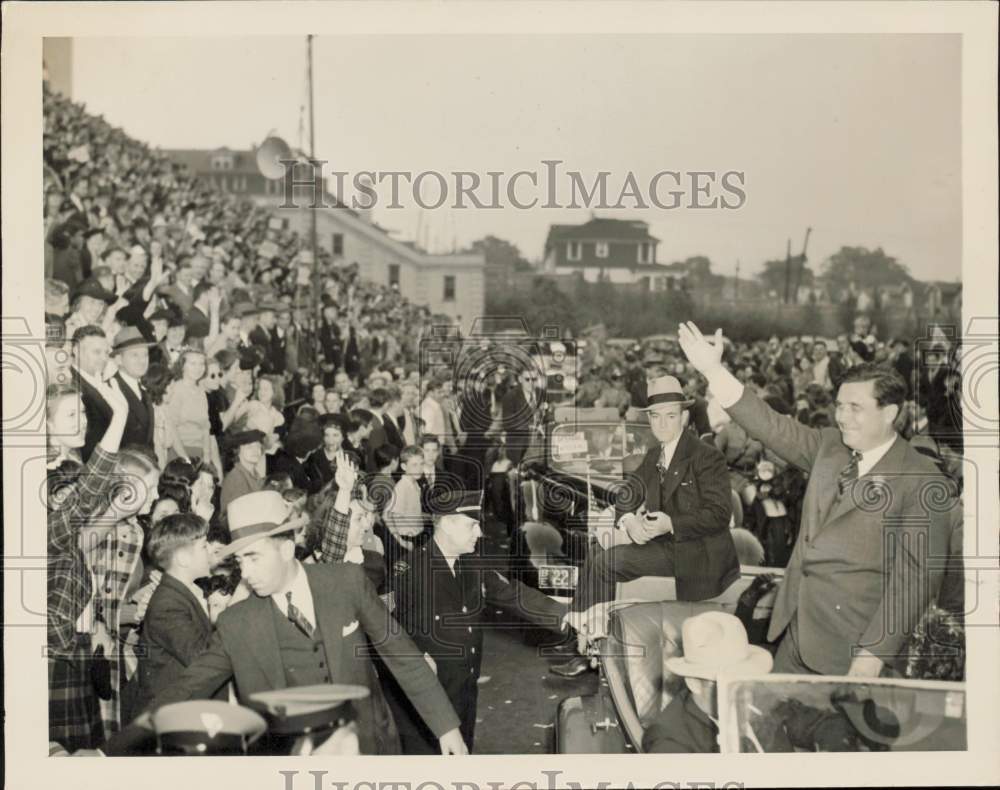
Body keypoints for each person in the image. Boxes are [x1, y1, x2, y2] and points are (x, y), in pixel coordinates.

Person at [677, 321, 954, 676]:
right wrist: (713, 370)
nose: (841, 417)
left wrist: (872, 657)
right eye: (839, 405)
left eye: (855, 408)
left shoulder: (922, 481)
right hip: (795, 633)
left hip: (853, 653)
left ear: (890, 414)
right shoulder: (829, 446)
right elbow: (770, 425)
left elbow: (915, 583)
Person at [104, 490, 467, 756]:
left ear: (287, 548)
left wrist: (446, 727)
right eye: (240, 561)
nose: (245, 573)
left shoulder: (345, 582)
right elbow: (186, 687)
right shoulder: (237, 623)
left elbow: (400, 652)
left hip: (369, 748)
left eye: (253, 558)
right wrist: (108, 752)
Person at [552, 375, 737, 678]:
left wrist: (670, 523)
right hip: (669, 545)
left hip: (697, 552)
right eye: (656, 417)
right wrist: (628, 520)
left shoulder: (707, 457)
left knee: (605, 564)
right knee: (598, 547)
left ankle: (590, 651)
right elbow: (628, 494)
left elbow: (719, 515)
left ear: (685, 417)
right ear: (648, 418)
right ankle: (580, 637)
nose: (662, 424)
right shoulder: (656, 454)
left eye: (670, 416)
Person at [386, 490, 568, 753]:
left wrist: (568, 616)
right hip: (428, 700)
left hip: (465, 689)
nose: (480, 532)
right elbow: (392, 636)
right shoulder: (410, 572)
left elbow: (511, 594)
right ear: (447, 524)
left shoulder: (471, 563)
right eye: (472, 524)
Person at [642, 611, 773, 753]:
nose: (746, 694)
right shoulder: (670, 741)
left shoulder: (764, 703)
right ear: (694, 684)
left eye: (747, 679)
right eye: (728, 683)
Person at [133, 513, 219, 715]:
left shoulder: (186, 592)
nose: (210, 553)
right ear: (182, 559)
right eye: (204, 547)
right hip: (169, 715)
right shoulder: (168, 605)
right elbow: (203, 658)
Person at [110, 326, 155, 453]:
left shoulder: (144, 391)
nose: (142, 361)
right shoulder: (110, 390)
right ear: (119, 359)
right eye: (134, 355)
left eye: (145, 355)